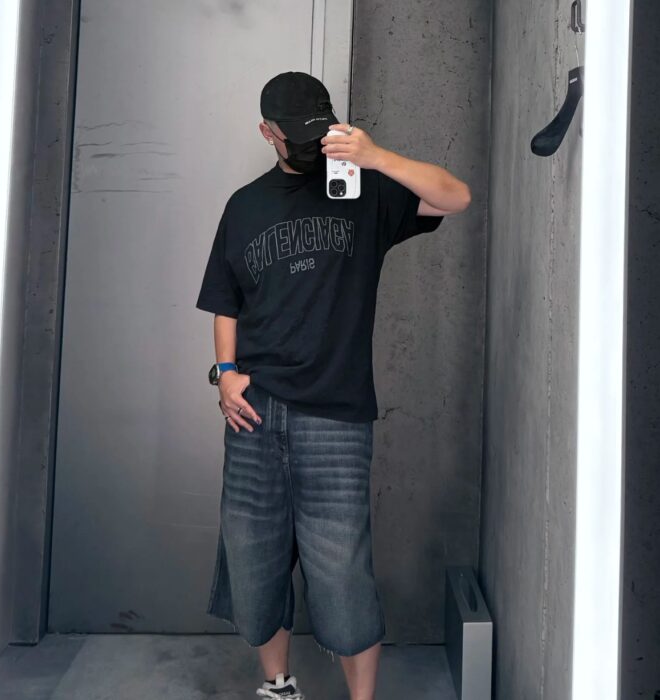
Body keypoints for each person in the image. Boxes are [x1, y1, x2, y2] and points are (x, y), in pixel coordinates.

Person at [196, 71, 471, 700]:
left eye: (317, 132)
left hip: (336, 415)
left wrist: (377, 157)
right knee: (254, 559)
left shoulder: (365, 190)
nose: (308, 145)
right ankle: (279, 686)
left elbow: (456, 197)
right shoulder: (244, 206)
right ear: (267, 133)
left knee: (342, 571)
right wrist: (225, 375)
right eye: (295, 135)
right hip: (254, 412)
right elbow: (225, 301)